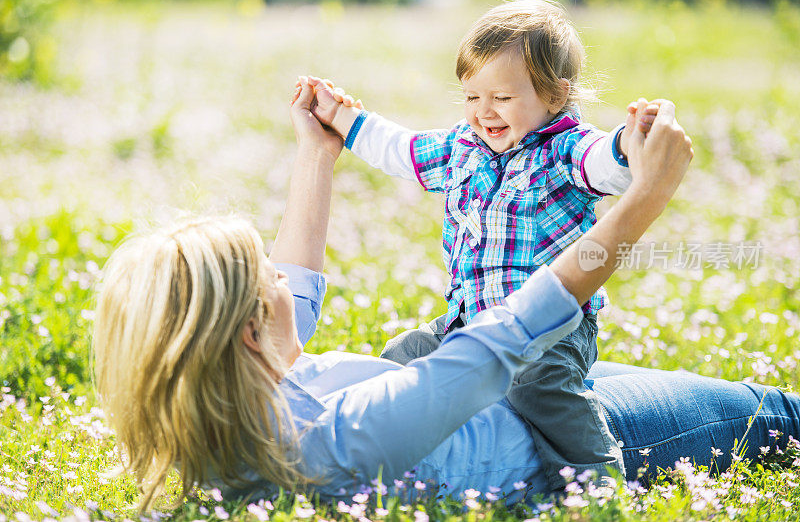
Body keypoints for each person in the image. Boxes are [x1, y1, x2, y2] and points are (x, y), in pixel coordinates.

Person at [93, 79, 799, 513]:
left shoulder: (224, 414)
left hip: (525, 387)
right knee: (775, 416)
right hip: (549, 432)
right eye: (268, 279)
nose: (286, 280)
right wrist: (646, 196)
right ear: (247, 331)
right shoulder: (343, 440)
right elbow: (506, 334)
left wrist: (316, 154)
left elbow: (295, 300)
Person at [302, 0, 664, 489]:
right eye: (472, 97)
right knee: (401, 357)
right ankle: (391, 448)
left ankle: (593, 483)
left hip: (549, 332)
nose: (483, 112)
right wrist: (341, 119)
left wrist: (630, 139)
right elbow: (398, 150)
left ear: (555, 96)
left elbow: (605, 162)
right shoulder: (460, 149)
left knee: (542, 385)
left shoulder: (564, 150)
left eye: (502, 98)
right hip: (468, 323)